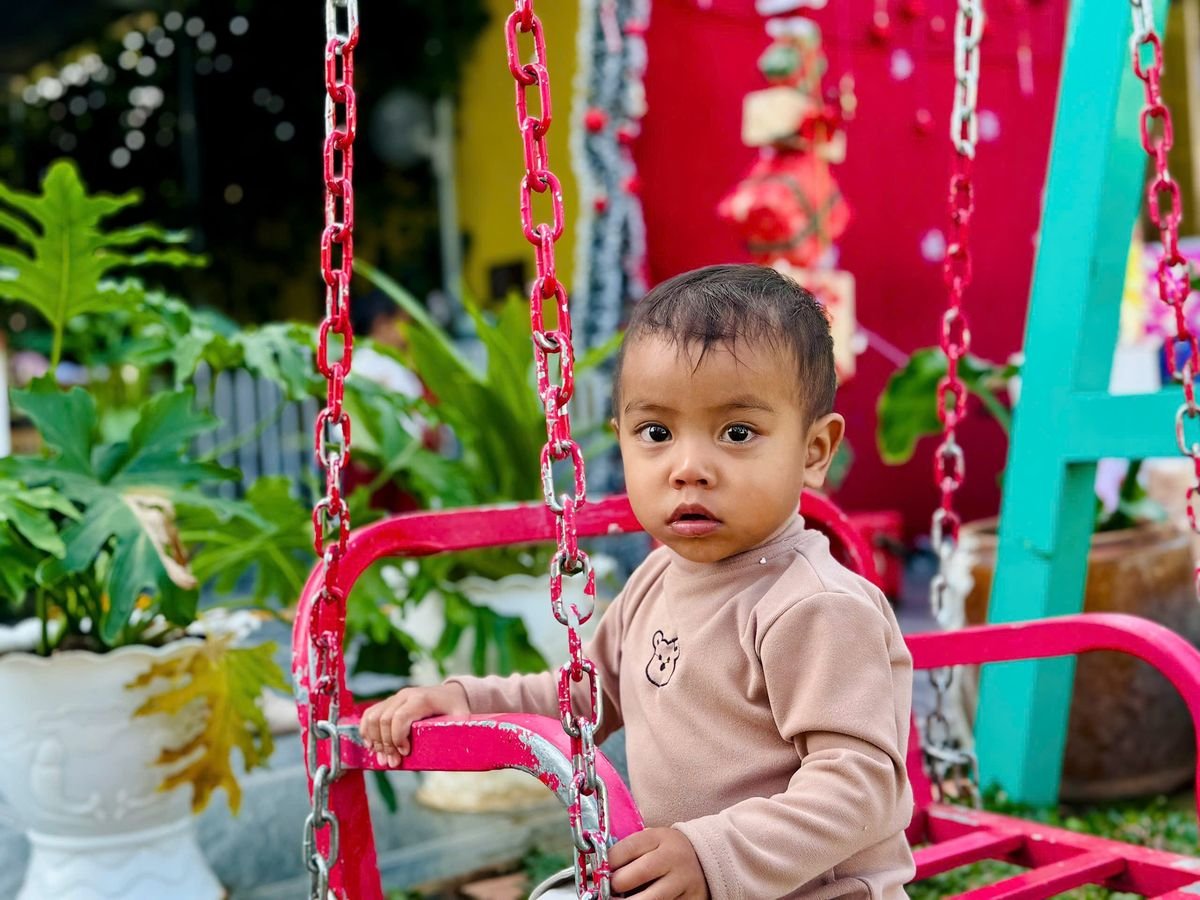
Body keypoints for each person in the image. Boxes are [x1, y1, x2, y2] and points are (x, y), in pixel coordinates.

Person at [360, 264, 915, 899]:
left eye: (737, 433)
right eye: (657, 433)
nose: (689, 468)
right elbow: (584, 697)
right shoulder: (656, 579)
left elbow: (859, 787)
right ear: (621, 439)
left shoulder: (815, 605)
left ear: (814, 451)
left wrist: (709, 855)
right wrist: (468, 700)